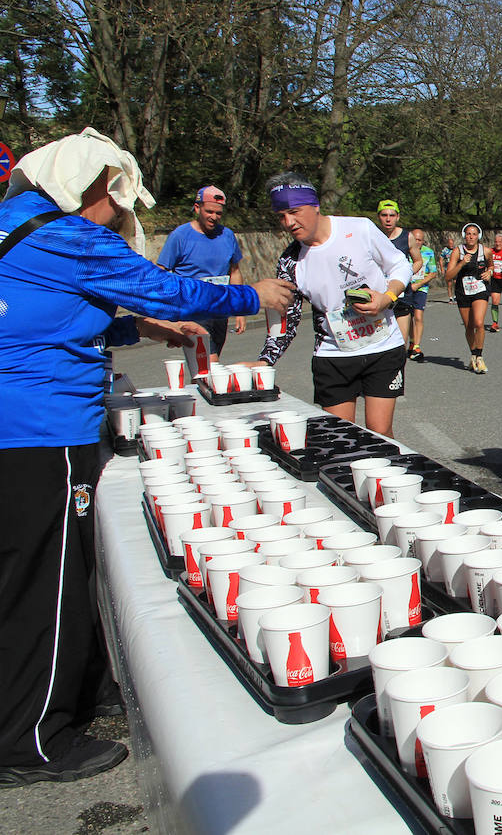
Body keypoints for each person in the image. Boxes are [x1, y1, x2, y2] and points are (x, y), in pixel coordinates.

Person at [0, 128, 292, 787]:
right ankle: (28, 740)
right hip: (40, 428)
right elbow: (169, 289)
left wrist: (136, 328)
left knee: (50, 570)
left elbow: (45, 313)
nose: (118, 219)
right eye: (118, 203)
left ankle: (79, 684)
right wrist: (255, 296)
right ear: (97, 188)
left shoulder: (14, 226)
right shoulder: (66, 234)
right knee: (42, 581)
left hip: (14, 425)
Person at [253, 174, 413, 437]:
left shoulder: (359, 228)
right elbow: (287, 317)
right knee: (341, 437)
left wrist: (387, 297)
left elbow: (400, 264)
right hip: (334, 354)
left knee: (379, 432)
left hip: (383, 345)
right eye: (281, 216)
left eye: (294, 212)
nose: (288, 223)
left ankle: (384, 479)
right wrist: (265, 361)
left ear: (315, 206)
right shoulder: (291, 262)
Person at [155, 185, 247, 361]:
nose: (214, 217)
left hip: (220, 309)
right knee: (208, 362)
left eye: (218, 213)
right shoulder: (180, 236)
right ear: (197, 208)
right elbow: (161, 272)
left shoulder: (227, 236)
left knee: (205, 368)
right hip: (193, 310)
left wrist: (240, 310)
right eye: (209, 211)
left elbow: (235, 272)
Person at [444, 223, 493, 372]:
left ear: (478, 236)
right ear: (464, 236)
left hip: (480, 289)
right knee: (469, 326)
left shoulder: (485, 251)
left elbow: (491, 265)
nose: (471, 237)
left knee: (479, 322)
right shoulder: (457, 252)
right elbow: (448, 276)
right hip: (463, 291)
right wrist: (461, 263)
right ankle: (473, 355)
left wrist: (489, 272)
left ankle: (479, 356)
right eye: (468, 234)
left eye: (474, 234)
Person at [376, 200, 415, 346]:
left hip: (401, 294)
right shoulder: (372, 235)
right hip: (379, 292)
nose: (388, 219)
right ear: (378, 216)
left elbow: (417, 261)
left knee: (400, 342)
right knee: (381, 343)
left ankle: (399, 368)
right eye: (384, 215)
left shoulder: (407, 237)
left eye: (392, 215)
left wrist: (404, 276)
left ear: (398, 217)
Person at [407, 227, 438, 362]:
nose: (417, 242)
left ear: (423, 241)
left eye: (420, 240)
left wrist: (419, 284)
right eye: (415, 239)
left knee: (418, 316)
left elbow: (433, 272)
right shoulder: (403, 252)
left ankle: (417, 346)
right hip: (406, 288)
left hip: (421, 288)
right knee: (407, 317)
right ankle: (412, 342)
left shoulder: (428, 252)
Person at [440, 234, 457, 302]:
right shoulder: (445, 250)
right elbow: (441, 259)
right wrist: (442, 268)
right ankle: (450, 297)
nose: (451, 245)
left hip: (455, 269)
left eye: (452, 244)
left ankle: (456, 296)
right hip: (448, 269)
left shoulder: (456, 249)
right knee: (449, 284)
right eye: (450, 244)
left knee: (456, 282)